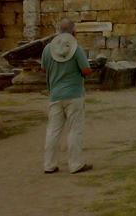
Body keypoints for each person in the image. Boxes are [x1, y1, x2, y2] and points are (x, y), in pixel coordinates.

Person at [41, 20, 93, 174]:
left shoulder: (47, 50)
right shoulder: (76, 49)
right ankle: (75, 164)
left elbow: (44, 70)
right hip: (74, 95)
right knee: (75, 130)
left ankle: (49, 165)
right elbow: (86, 70)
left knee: (53, 131)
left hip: (55, 95)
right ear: (74, 33)